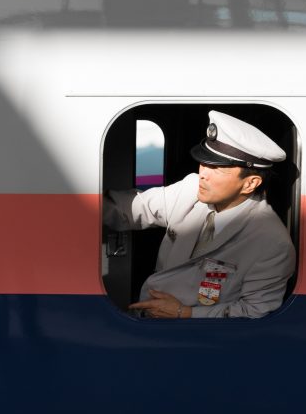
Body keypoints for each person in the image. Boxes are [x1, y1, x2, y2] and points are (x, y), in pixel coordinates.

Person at [103, 110, 295, 319]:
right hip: (150, 322)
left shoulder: (271, 241)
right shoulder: (191, 188)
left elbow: (255, 311)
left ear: (250, 183)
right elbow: (131, 209)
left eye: (217, 168)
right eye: (204, 162)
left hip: (201, 337)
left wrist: (184, 313)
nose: (203, 174)